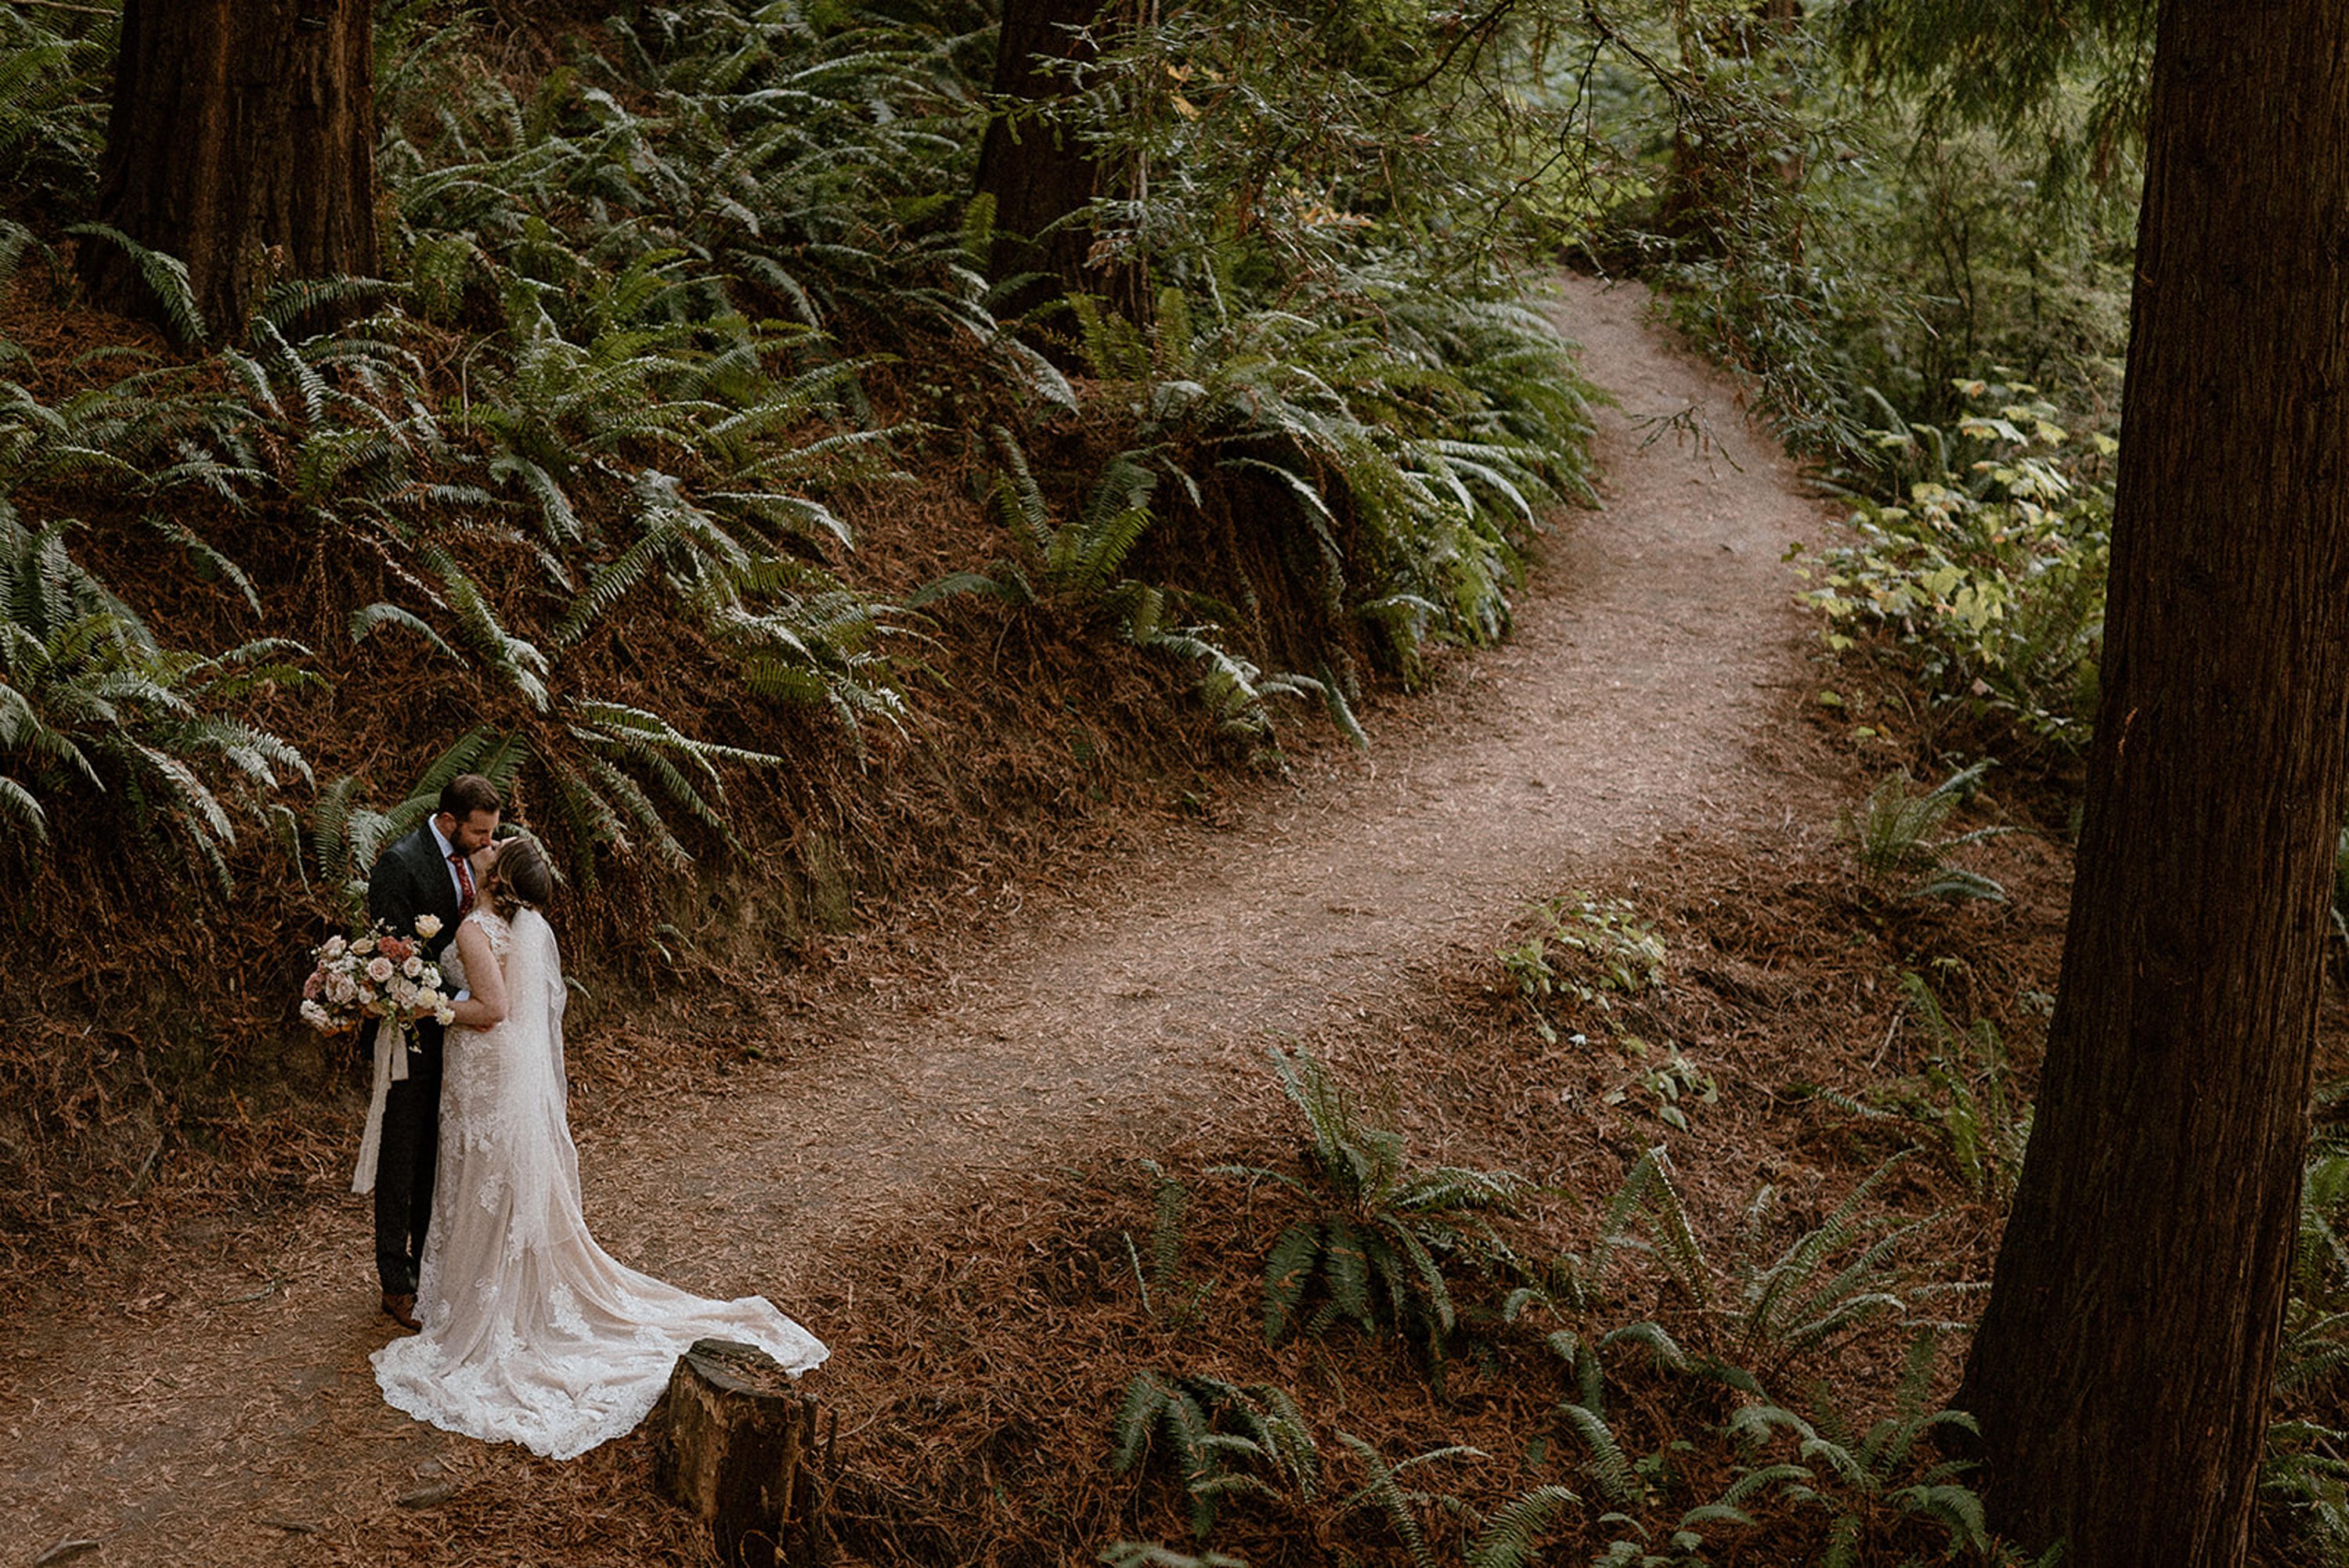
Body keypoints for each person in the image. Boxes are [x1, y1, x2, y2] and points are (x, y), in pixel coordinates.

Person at [371, 834, 826, 1459]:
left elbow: (494, 1008)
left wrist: (433, 1002)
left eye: (496, 843)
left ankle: (480, 1292)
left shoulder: (478, 930)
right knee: (488, 1176)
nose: (489, 841)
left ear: (498, 872)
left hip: (484, 1066)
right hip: (500, 1072)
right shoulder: (525, 922)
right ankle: (479, 1279)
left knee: (480, 1173)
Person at [357, 773, 502, 1332]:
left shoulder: (472, 859)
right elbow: (395, 961)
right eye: (480, 832)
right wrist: (469, 999)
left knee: (437, 1158)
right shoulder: (402, 862)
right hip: (413, 1035)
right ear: (449, 822)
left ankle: (426, 1265)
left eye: (492, 833)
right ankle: (395, 1280)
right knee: (402, 1155)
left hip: (458, 1040)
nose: (488, 843)